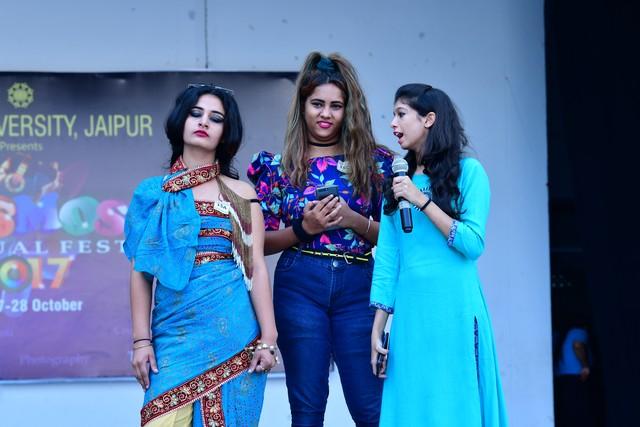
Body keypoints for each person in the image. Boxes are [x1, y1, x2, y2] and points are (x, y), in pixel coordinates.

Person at [247, 52, 394, 426]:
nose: (325, 114)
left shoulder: (375, 163)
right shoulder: (279, 167)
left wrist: (355, 221)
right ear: (302, 106)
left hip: (359, 284)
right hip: (300, 283)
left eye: (335, 106)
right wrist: (304, 229)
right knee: (307, 409)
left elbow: (396, 240)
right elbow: (258, 243)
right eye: (317, 104)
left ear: (349, 110)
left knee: (370, 408)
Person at [124, 84, 277, 427]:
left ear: (226, 132)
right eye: (196, 113)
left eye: (216, 118)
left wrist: (269, 339)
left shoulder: (241, 194)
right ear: (181, 120)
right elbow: (140, 273)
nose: (204, 122)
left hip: (234, 335)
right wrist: (140, 341)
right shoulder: (152, 194)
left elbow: (255, 267)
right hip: (173, 336)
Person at [370, 84, 508, 426]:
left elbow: (473, 244)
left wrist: (421, 200)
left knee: (455, 401)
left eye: (401, 114)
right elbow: (388, 259)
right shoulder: (396, 181)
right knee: (413, 404)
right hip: (411, 312)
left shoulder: (469, 172)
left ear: (429, 119)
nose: (393, 123)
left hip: (455, 308)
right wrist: (379, 326)